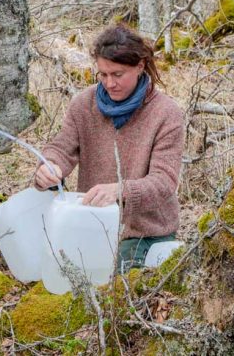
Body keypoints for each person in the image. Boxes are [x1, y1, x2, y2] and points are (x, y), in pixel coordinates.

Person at [34, 23, 184, 273]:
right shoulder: (83, 104)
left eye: (117, 74)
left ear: (139, 66)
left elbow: (164, 183)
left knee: (113, 291)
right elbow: (62, 147)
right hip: (91, 224)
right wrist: (49, 166)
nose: (109, 83)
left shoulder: (166, 113)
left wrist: (119, 191)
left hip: (145, 233)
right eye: (102, 75)